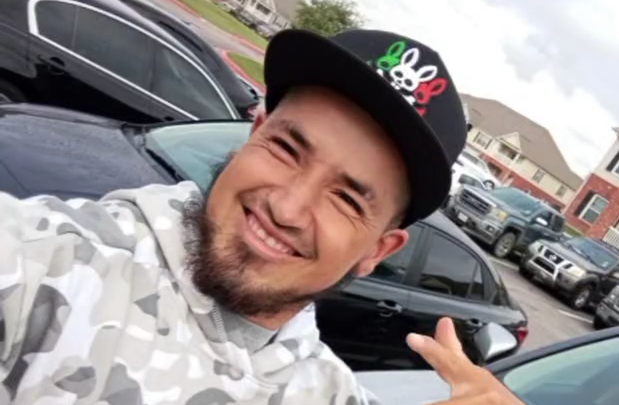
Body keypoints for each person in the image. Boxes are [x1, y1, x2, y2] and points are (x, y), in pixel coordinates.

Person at [0, 29, 524, 404]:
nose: (287, 207)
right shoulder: (56, 262)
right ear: (255, 133)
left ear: (377, 251)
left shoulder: (329, 392)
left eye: (346, 199)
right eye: (286, 149)